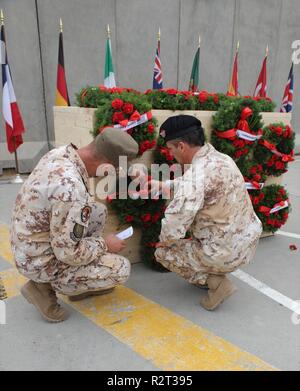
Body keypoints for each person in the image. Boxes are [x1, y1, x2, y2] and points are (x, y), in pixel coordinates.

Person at [10, 128, 139, 322]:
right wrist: (106, 245)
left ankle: (78, 284)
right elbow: (68, 253)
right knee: (120, 268)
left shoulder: (61, 153)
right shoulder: (71, 188)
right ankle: (42, 288)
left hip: (28, 242)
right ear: (105, 163)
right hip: (37, 261)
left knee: (96, 212)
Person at [152, 115, 262, 310]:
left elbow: (173, 227)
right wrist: (162, 186)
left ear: (182, 147)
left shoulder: (195, 175)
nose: (171, 154)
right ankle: (213, 270)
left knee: (163, 252)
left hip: (222, 253)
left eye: (170, 149)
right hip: (247, 243)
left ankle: (216, 283)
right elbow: (198, 186)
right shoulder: (221, 159)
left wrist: (164, 240)